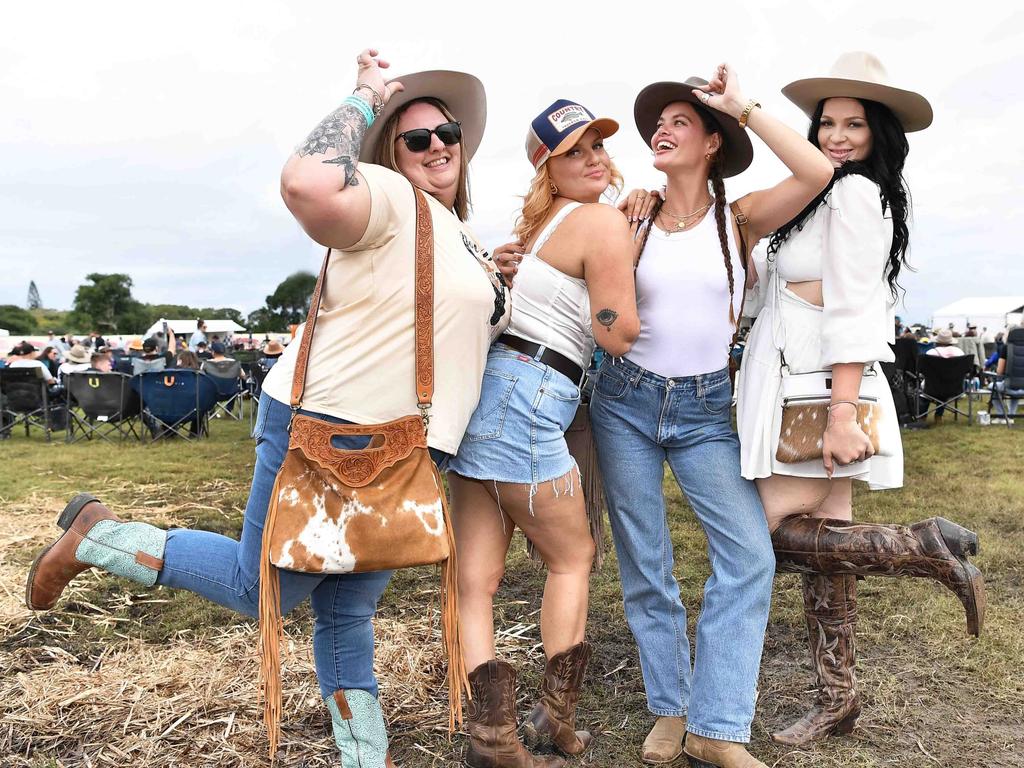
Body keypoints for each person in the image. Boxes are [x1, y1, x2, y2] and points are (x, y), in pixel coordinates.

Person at [27, 49, 507, 768]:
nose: (438, 145)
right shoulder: (383, 196)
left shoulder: (462, 234)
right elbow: (306, 181)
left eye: (448, 133)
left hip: (405, 448)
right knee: (263, 589)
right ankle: (99, 537)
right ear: (388, 153)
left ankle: (363, 758)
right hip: (334, 433)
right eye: (417, 137)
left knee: (349, 608)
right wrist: (366, 94)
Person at [735, 51, 985, 746]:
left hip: (817, 389)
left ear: (880, 133)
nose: (836, 137)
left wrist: (841, 413)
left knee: (768, 538)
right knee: (830, 550)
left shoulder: (853, 195)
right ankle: (838, 697)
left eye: (853, 125)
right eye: (826, 124)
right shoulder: (816, 192)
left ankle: (922, 546)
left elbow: (854, 308)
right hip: (798, 380)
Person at [589, 65, 834, 768]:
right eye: (658, 124)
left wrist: (743, 106)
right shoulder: (629, 218)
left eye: (680, 123)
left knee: (747, 555)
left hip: (703, 408)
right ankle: (671, 708)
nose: (662, 131)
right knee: (646, 559)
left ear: (712, 144)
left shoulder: (740, 218)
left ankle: (716, 726)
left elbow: (816, 170)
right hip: (625, 400)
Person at [450, 99, 638, 768]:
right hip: (531, 399)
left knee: (476, 580)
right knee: (572, 556)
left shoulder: (539, 228)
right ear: (548, 168)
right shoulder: (601, 221)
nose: (593, 158)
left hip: (489, 394)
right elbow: (616, 332)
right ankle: (553, 720)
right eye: (575, 151)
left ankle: (491, 737)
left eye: (597, 146)